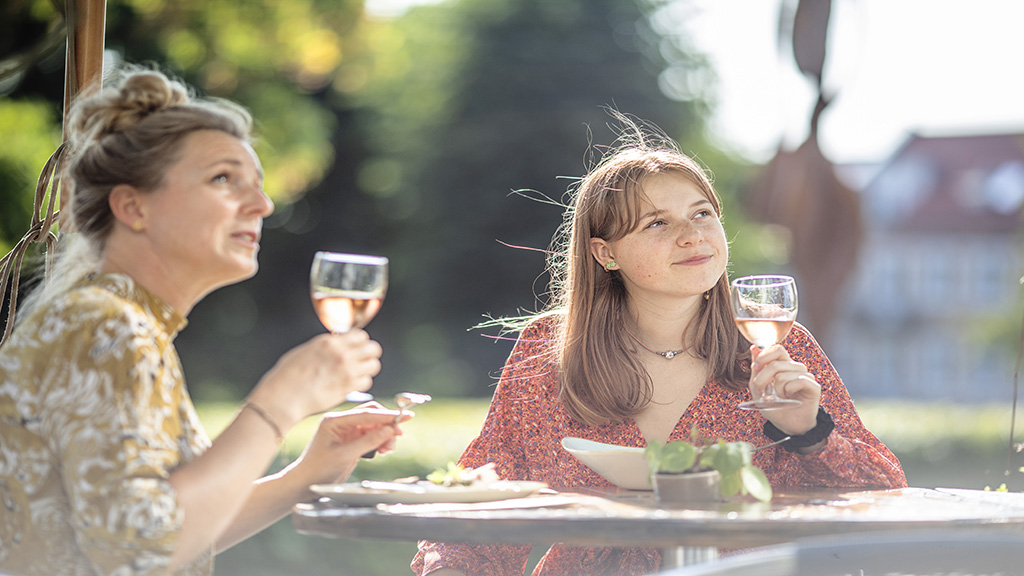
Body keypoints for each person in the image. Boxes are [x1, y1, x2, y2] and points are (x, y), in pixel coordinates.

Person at [412, 114, 906, 576]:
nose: (693, 235)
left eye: (702, 214)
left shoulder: (779, 345)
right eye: (658, 223)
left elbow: (881, 504)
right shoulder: (548, 349)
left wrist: (810, 432)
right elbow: (482, 503)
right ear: (605, 253)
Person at [0, 68, 404, 575]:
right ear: (132, 207)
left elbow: (168, 530)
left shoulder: (119, 322)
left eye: (256, 186)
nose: (262, 204)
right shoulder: (104, 328)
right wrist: (279, 404)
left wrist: (307, 475)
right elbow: (142, 551)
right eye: (223, 179)